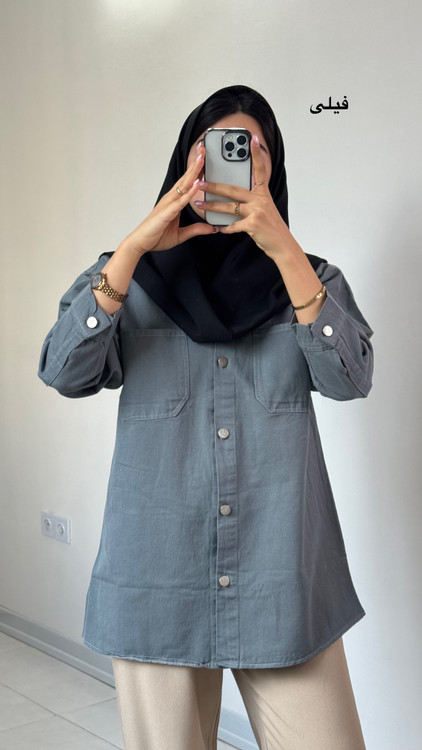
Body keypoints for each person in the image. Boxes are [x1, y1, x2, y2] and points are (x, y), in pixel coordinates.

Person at [38, 85, 373, 750]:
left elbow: (350, 378)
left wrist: (284, 249)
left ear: (273, 168)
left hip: (283, 586)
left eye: (252, 148)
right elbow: (63, 371)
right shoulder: (128, 282)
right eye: (214, 146)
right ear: (185, 162)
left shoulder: (310, 281)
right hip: (156, 585)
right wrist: (133, 251)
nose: (233, 160)